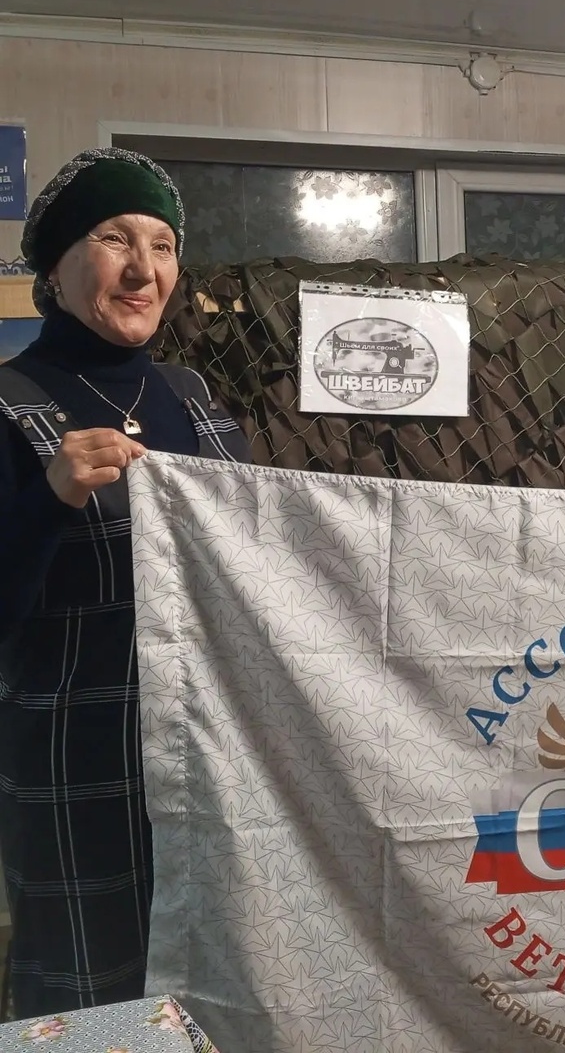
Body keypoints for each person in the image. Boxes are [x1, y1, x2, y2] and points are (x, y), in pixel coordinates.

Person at [0, 148, 251, 1019]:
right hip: (79, 770)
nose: (144, 270)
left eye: (163, 245)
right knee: (93, 998)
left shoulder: (195, 398)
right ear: (57, 267)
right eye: (114, 240)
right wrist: (50, 499)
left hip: (215, 759)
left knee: (216, 980)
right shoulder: (9, 404)